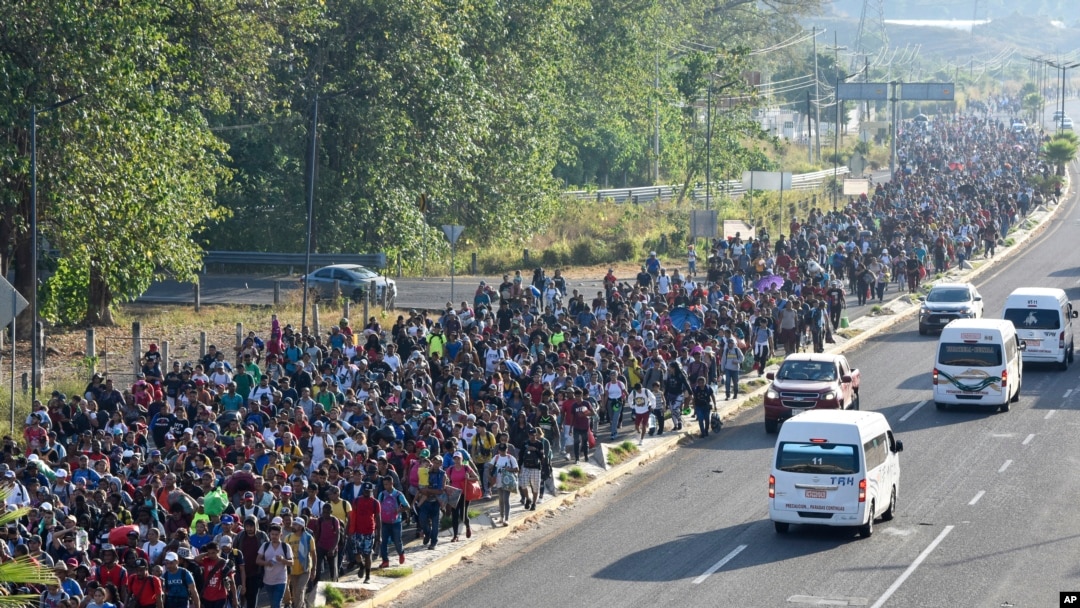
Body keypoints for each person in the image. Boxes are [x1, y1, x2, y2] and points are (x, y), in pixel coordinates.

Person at [346, 482, 380, 583]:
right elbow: (352, 517)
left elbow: (378, 519)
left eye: (368, 491)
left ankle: (367, 576)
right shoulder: (356, 501)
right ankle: (361, 566)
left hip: (369, 532)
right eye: (365, 490)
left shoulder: (375, 502)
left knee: (367, 554)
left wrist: (379, 535)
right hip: (357, 532)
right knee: (356, 553)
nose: (366, 492)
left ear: (371, 491)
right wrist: (350, 531)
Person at [375, 475, 408, 570]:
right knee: (383, 542)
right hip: (384, 522)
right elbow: (378, 506)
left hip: (396, 522)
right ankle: (385, 560)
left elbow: (407, 506)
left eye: (387, 484)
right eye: (384, 484)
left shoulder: (398, 494)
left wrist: (398, 510)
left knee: (397, 540)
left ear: (391, 483)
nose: (385, 486)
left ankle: (401, 553)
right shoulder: (382, 494)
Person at [254, 524, 291, 608]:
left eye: (276, 534)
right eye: (272, 534)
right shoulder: (265, 546)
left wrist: (282, 560)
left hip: (281, 580)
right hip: (268, 580)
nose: (274, 536)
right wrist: (267, 563)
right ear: (269, 534)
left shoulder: (285, 547)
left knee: (276, 604)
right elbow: (257, 560)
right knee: (273, 603)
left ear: (281, 535)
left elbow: (291, 562)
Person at [284, 518, 316, 608]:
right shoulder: (288, 538)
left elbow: (314, 554)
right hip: (293, 569)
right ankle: (302, 605)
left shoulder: (309, 538)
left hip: (305, 568)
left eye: (295, 524)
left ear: (301, 526)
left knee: (299, 590)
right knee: (295, 591)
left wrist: (314, 569)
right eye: (293, 524)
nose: (292, 526)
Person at [489, 442, 518, 527]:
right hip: (498, 480)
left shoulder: (510, 458)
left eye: (504, 450)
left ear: (507, 450)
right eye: (501, 450)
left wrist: (510, 469)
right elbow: (490, 465)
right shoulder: (496, 457)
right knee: (501, 500)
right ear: (498, 450)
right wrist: (489, 471)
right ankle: (501, 516)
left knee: (506, 499)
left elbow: (516, 469)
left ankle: (506, 518)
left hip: (507, 481)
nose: (502, 452)